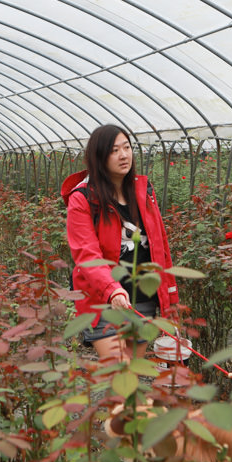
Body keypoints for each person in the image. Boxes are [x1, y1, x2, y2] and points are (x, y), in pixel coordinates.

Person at [60, 124, 179, 363]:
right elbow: (86, 254)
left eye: (127, 147)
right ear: (99, 156)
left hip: (142, 299)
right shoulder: (82, 198)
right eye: (114, 150)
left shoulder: (143, 191)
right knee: (119, 373)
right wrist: (111, 289)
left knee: (131, 378)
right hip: (104, 301)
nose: (123, 155)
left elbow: (160, 247)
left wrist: (170, 301)